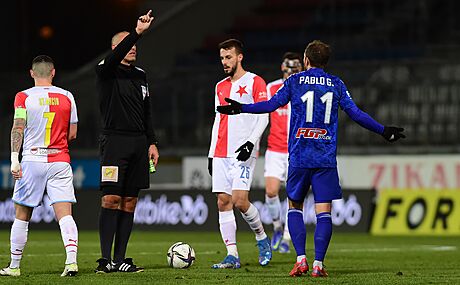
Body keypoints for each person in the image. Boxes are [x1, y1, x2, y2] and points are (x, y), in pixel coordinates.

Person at [217, 40, 405, 277]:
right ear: (325, 62)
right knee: (323, 212)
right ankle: (318, 264)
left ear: (306, 60)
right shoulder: (336, 84)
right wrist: (383, 130)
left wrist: (242, 108)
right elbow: (356, 113)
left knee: (294, 207)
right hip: (325, 158)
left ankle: (301, 260)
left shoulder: (295, 81)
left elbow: (271, 104)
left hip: (299, 156)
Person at [1, 55, 79, 277]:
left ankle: (14, 266)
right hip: (60, 160)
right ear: (53, 73)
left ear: (32, 73)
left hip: (32, 160)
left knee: (21, 215)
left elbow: (18, 127)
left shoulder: (23, 96)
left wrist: (15, 159)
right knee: (65, 215)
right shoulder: (67, 96)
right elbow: (72, 133)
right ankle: (71, 262)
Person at [95, 10, 159, 273]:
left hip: (138, 144)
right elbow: (113, 59)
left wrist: (152, 142)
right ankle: (104, 260)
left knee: (130, 202)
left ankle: (120, 259)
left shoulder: (140, 75)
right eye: (127, 44)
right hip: (114, 143)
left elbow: (147, 112)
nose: (133, 48)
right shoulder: (105, 70)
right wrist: (137, 33)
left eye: (134, 45)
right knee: (110, 199)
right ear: (116, 48)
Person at [208, 39, 272, 269]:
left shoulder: (255, 81)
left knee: (239, 200)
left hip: (244, 151)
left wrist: (250, 143)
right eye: (222, 58)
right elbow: (218, 120)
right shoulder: (220, 86)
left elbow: (264, 115)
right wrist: (211, 153)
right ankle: (232, 255)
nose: (224, 62)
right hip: (221, 151)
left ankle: (262, 237)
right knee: (223, 201)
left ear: (239, 57)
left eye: (228, 57)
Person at [264, 52, 302, 254]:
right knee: (271, 191)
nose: (291, 73)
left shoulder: (303, 88)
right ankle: (277, 226)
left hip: (296, 150)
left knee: (293, 196)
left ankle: (287, 237)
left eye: (295, 69)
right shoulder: (271, 88)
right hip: (275, 149)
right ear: (282, 68)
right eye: (289, 69)